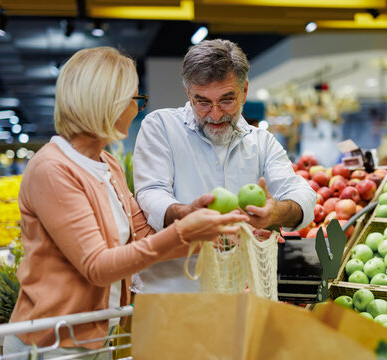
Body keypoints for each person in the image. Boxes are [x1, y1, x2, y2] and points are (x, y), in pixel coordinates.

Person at [3, 47, 249, 358]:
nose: (137, 110)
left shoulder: (108, 165)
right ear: (108, 103)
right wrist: (183, 230)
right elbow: (98, 267)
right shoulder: (53, 169)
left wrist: (211, 233)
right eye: (135, 100)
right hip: (50, 344)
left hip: (94, 336)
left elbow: (144, 238)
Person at [133, 39, 316, 293]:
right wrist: (185, 214)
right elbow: (151, 191)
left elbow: (302, 196)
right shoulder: (161, 127)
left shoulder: (261, 142)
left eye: (227, 100)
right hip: (173, 290)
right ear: (188, 93)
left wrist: (277, 212)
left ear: (245, 91)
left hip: (239, 293)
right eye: (203, 102)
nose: (215, 114)